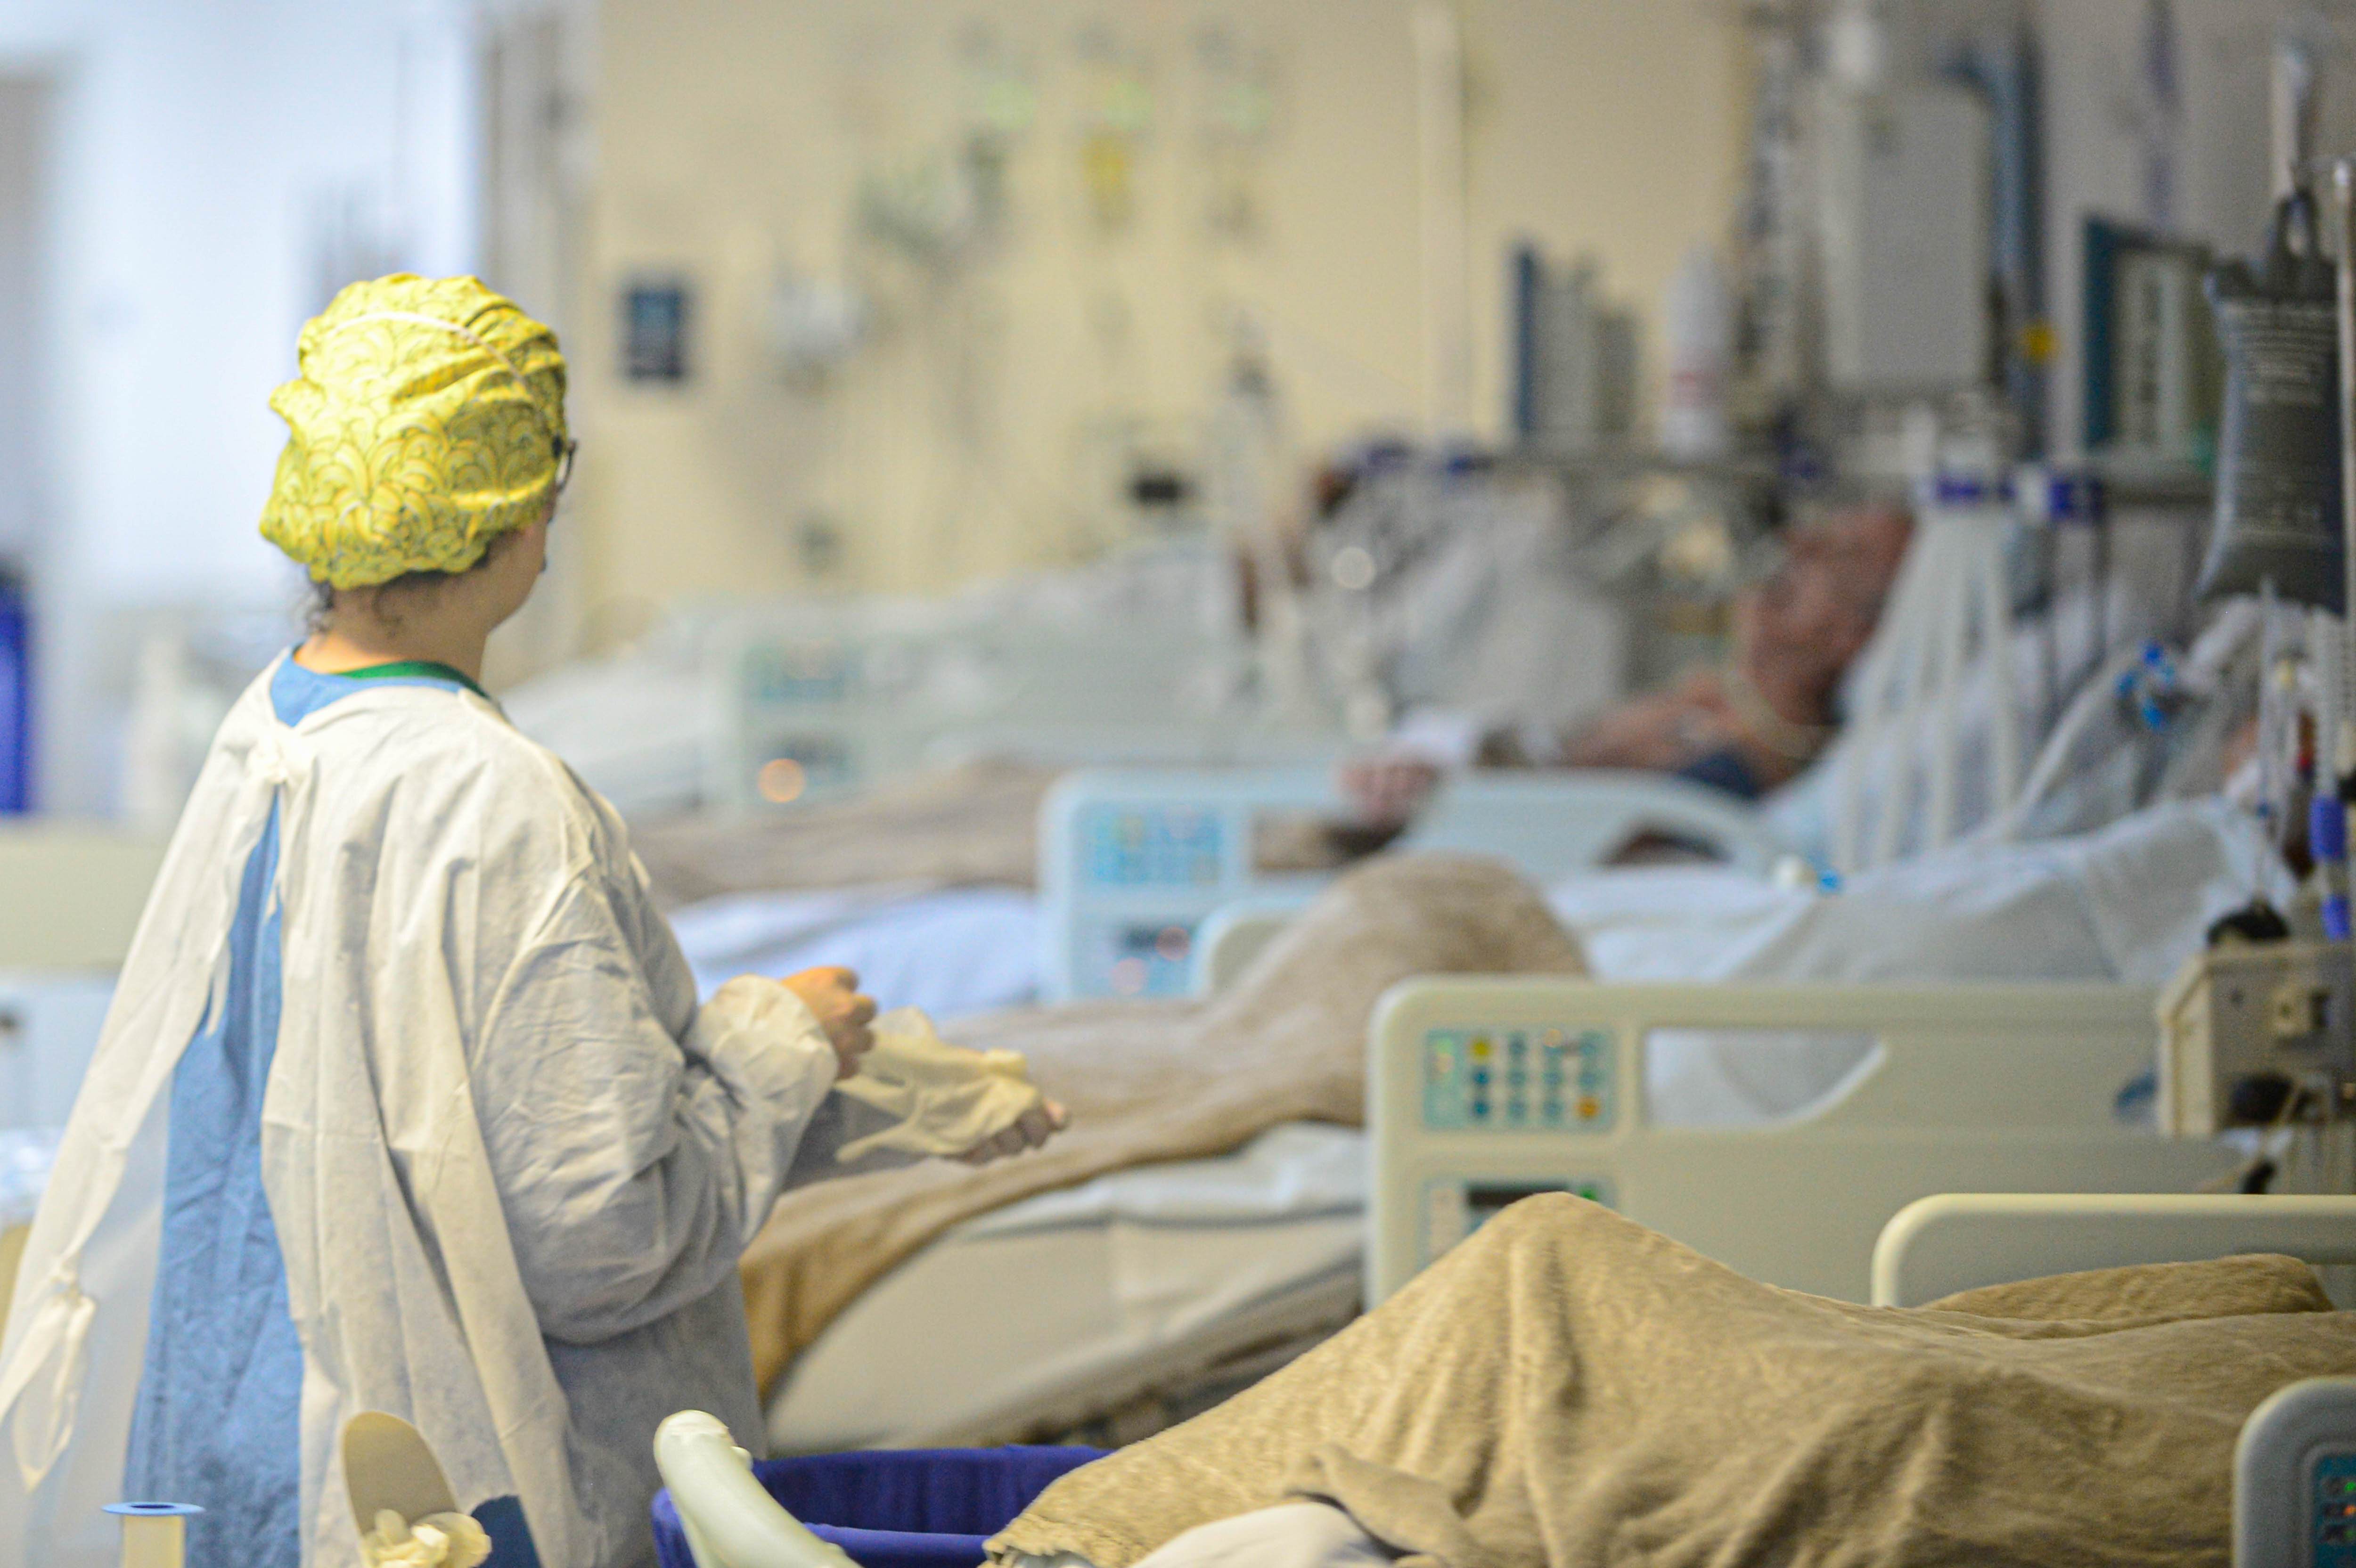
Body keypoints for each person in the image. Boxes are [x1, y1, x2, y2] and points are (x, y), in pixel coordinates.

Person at [0, 276, 1059, 1568]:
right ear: (522, 520)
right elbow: (604, 1241)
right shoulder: (497, 801)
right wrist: (780, 1038)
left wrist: (852, 1094)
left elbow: (429, 1110)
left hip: (276, 1453)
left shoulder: (273, 728)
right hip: (481, 1486)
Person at [1342, 502, 1913, 831]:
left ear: (1850, 637)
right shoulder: (1715, 703)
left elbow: (1575, 831)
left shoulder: (1747, 762)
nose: (1798, 543)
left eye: (1841, 554)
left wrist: (1450, 779)